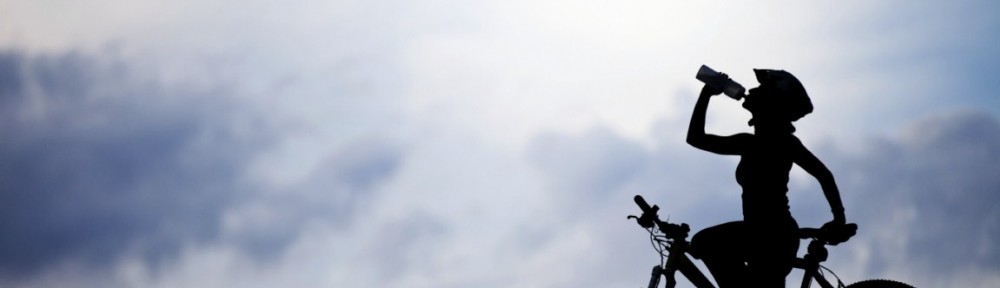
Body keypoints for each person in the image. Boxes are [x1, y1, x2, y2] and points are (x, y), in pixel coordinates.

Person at [685, 68, 847, 287]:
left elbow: (824, 175)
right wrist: (706, 94)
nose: (751, 90)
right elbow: (696, 138)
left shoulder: (782, 142)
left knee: (705, 242)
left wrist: (839, 219)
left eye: (761, 88)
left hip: (771, 236)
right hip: (762, 234)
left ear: (774, 101)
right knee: (705, 244)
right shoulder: (749, 142)